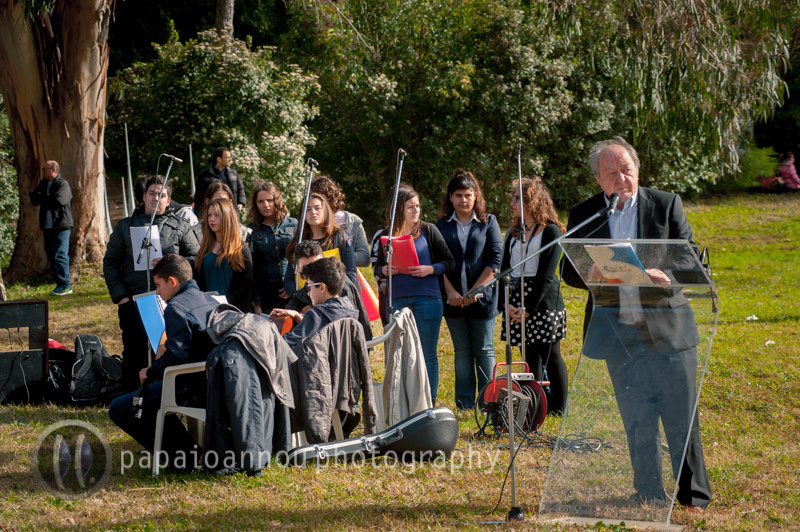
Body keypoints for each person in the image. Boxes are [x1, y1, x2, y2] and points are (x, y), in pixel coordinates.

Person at [561, 136, 712, 510]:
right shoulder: (586, 213)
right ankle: (648, 491)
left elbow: (691, 260)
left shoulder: (665, 204)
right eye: (611, 173)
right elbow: (567, 268)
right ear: (598, 179)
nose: (621, 179)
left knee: (680, 418)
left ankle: (693, 495)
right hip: (619, 332)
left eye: (626, 170)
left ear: (638, 170)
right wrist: (589, 271)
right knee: (637, 418)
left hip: (668, 328)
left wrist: (666, 274)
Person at [109, 254, 219, 469]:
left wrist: (150, 372)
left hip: (191, 384)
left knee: (119, 407)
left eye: (159, 285)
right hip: (213, 379)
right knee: (149, 399)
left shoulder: (176, 307)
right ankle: (187, 451)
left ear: (173, 281)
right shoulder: (209, 299)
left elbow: (176, 355)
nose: (157, 292)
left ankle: (184, 457)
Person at [103, 175, 200, 391]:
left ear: (169, 199)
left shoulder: (181, 227)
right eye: (152, 193)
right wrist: (121, 297)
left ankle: (165, 393)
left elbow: (195, 259)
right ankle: (130, 395)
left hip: (172, 303)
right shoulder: (125, 226)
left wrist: (171, 262)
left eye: (161, 195)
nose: (156, 198)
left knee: (167, 348)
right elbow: (110, 262)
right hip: (133, 300)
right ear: (144, 197)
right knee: (134, 351)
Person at [375, 185, 454, 404]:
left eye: (417, 206)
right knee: (399, 354)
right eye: (410, 206)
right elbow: (377, 268)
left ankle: (429, 401)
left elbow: (449, 262)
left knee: (426, 353)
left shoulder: (428, 230)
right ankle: (404, 401)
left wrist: (430, 269)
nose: (416, 210)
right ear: (399, 208)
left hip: (427, 299)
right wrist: (384, 270)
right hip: (397, 300)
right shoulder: (386, 235)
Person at [498, 176, 568, 415]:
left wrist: (529, 308)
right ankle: (535, 407)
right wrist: (506, 304)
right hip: (516, 298)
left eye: (518, 198)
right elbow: (504, 272)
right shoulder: (512, 234)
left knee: (551, 355)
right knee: (529, 357)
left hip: (543, 299)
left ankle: (559, 408)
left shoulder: (550, 231)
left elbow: (546, 275)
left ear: (533, 201)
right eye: (513, 198)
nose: (512, 203)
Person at [435, 170, 502, 410]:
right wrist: (451, 292)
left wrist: (474, 290)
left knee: (484, 349)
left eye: (468, 195)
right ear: (450, 197)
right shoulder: (440, 226)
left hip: (483, 299)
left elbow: (496, 259)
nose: (463, 200)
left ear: (476, 196)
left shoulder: (489, 222)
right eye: (458, 195)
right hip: (452, 300)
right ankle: (464, 404)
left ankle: (488, 401)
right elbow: (437, 261)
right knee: (462, 352)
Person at [272, 240, 372, 341]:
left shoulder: (339, 285)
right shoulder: (313, 282)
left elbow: (341, 329)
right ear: (298, 270)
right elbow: (296, 301)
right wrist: (292, 315)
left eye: (317, 265)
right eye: (306, 269)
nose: (312, 272)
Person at [281, 257, 359, 354]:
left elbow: (285, 343)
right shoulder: (349, 309)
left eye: (309, 287)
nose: (308, 293)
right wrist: (298, 316)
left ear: (322, 287)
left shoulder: (317, 315)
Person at [285, 192, 359, 291]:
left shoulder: (340, 238)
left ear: (325, 211)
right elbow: (289, 279)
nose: (313, 212)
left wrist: (331, 294)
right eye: (308, 209)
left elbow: (351, 274)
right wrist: (300, 297)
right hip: (305, 299)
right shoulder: (298, 241)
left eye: (317, 208)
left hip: (336, 297)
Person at [195, 198, 254, 313]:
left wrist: (226, 303)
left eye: (216, 215)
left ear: (227, 217)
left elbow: (246, 282)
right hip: (208, 311)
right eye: (209, 215)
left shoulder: (241, 248)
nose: (211, 219)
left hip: (235, 311)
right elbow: (198, 281)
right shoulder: (204, 248)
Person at [248, 180, 297, 315]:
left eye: (269, 200)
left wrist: (292, 286)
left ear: (277, 201)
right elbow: (251, 269)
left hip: (293, 294)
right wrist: (256, 302)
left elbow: (302, 260)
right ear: (256, 205)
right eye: (261, 201)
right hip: (266, 297)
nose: (266, 205)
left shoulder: (294, 224)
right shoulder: (251, 231)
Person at [29, 160, 73, 295]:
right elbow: (34, 199)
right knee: (51, 255)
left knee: (60, 254)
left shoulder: (63, 184)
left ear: (54, 170)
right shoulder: (43, 183)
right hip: (48, 226)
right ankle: (59, 284)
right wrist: (46, 197)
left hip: (62, 226)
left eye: (45, 169)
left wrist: (43, 197)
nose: (43, 171)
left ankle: (66, 286)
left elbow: (59, 200)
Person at [309, 176, 371, 267]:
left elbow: (365, 258)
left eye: (320, 198)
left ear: (331, 197)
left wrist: (340, 255)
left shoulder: (352, 221)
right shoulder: (308, 221)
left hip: (344, 273)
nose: (315, 202)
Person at [195, 147, 246, 212]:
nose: (230, 159)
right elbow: (199, 198)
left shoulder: (233, 173)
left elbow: (241, 189)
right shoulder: (204, 176)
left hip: (232, 211)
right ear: (219, 159)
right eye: (227, 157)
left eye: (230, 157)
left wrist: (241, 203)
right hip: (213, 212)